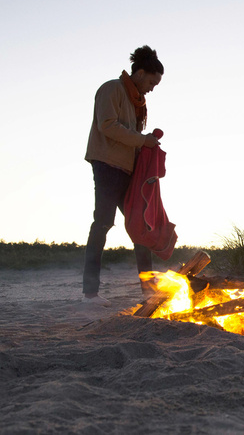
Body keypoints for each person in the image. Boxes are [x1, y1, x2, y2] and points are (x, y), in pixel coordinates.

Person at [82, 45, 164, 306]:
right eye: (151, 81)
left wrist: (147, 145)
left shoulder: (138, 102)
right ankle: (90, 294)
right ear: (139, 73)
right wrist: (142, 141)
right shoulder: (111, 89)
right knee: (102, 224)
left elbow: (135, 139)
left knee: (141, 228)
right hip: (106, 165)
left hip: (129, 171)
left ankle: (149, 292)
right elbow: (107, 125)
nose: (152, 88)